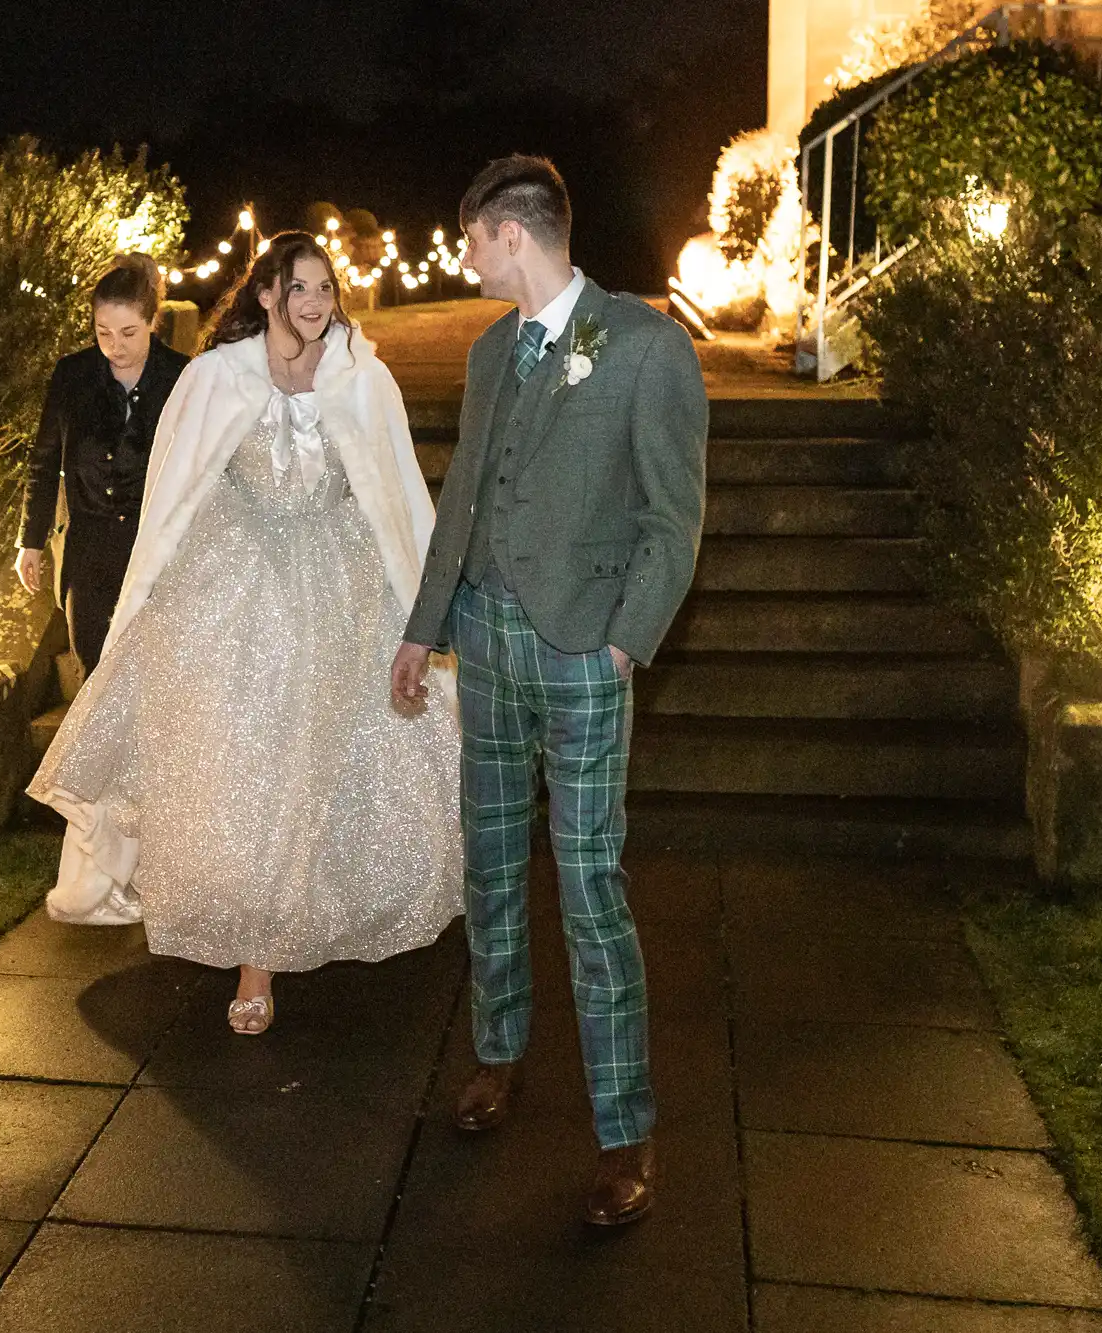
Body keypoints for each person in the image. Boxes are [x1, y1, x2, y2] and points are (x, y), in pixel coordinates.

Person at [30, 231, 463, 1033]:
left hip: (341, 588)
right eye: (299, 288)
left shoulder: (362, 377)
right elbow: (178, 490)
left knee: (324, 762)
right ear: (266, 294)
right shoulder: (216, 378)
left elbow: (394, 487)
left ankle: (314, 914)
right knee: (254, 765)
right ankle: (256, 961)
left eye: (325, 289)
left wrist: (422, 601)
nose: (314, 303)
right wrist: (156, 594)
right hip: (244, 593)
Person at [391, 155, 707, 1226]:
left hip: (582, 653)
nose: (464, 255)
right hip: (481, 636)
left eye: (470, 240)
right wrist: (421, 628)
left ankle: (623, 1129)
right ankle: (496, 1055)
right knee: (488, 864)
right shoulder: (488, 356)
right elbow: (461, 502)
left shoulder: (646, 349)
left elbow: (674, 519)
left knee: (587, 889)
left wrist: (624, 642)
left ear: (510, 235)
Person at [17, 253, 190, 674]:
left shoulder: (183, 377)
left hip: (156, 548)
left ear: (152, 321)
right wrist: (31, 540)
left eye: (129, 332)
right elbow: (43, 461)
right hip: (88, 550)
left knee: (153, 674)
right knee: (93, 670)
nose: (116, 346)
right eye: (103, 333)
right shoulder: (72, 375)